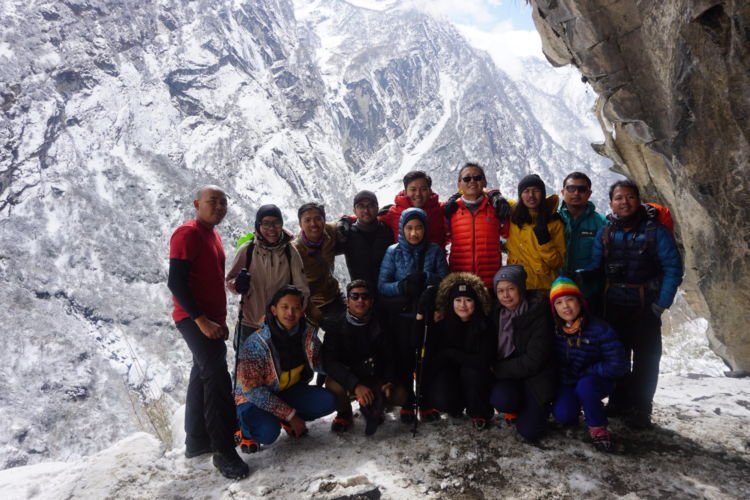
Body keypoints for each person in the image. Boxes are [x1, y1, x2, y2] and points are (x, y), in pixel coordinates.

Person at [583, 179, 683, 428]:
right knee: (617, 355)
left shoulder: (655, 231)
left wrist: (660, 305)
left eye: (629, 197)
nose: (624, 202)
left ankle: (641, 408)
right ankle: (618, 401)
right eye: (619, 198)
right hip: (613, 304)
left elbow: (673, 268)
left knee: (646, 359)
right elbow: (596, 265)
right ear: (611, 203)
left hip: (645, 305)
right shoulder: (606, 231)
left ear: (638, 200)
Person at [167, 185, 249, 480]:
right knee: (216, 377)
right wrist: (201, 320)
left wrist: (218, 319)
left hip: (209, 319)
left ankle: (196, 441)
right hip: (193, 319)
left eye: (223, 203)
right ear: (196, 204)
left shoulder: (211, 235)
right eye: (212, 202)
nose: (219, 207)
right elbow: (176, 282)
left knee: (201, 374)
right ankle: (224, 450)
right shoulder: (187, 234)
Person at [234, 286, 336, 446]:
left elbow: (322, 362)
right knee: (267, 432)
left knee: (328, 401)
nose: (290, 313)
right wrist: (291, 415)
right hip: (251, 399)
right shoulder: (256, 344)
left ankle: (281, 418)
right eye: (285, 307)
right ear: (274, 310)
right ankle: (245, 429)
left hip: (286, 391)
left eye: (296, 308)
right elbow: (252, 391)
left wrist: (350, 377)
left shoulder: (306, 335)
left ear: (302, 311)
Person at [378, 207, 449, 423]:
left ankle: (426, 401)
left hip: (427, 316)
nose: (414, 233)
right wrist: (402, 286)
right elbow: (382, 285)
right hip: (402, 316)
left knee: (426, 359)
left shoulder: (434, 251)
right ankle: (409, 401)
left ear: (425, 229)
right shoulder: (393, 252)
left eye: (418, 228)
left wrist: (427, 277)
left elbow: (446, 281)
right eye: (409, 228)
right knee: (404, 359)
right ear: (402, 229)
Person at [549, 277, 627, 452]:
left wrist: (590, 371)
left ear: (580, 301)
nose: (565, 307)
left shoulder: (599, 329)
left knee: (586, 387)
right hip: (569, 382)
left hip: (595, 381)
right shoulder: (554, 330)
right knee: (563, 415)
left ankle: (598, 428)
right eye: (559, 302)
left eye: (570, 300)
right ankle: (575, 407)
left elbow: (618, 364)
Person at [323, 280, 408, 435]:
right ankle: (344, 413)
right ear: (346, 301)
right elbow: (330, 363)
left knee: (400, 394)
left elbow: (391, 357)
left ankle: (376, 405)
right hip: (349, 378)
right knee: (332, 384)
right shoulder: (335, 325)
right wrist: (355, 385)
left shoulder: (382, 324)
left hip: (375, 377)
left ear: (371, 301)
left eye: (365, 297)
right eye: (355, 296)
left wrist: (389, 381)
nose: (360, 301)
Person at [489, 265, 556, 442]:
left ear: (521, 288)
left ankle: (538, 407)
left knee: (531, 431)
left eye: (511, 289)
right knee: (502, 400)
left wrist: (497, 370)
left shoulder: (537, 312)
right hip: (511, 374)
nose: (506, 295)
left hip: (536, 376)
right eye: (501, 290)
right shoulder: (495, 313)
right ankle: (518, 405)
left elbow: (535, 360)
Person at [420, 272, 495, 429]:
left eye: (468, 300)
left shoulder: (484, 325)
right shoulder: (443, 323)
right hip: (452, 373)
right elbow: (434, 357)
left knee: (472, 372)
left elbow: (482, 361)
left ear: (476, 302)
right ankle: (455, 405)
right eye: (458, 300)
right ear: (451, 302)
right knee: (442, 391)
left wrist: (452, 354)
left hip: (477, 375)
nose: (463, 305)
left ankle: (478, 411)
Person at [226, 204, 309, 344]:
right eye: (266, 223)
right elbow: (230, 280)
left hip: (281, 324)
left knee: (279, 364)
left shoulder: (290, 252)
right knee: (248, 365)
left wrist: (294, 316)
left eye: (276, 223)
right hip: (250, 323)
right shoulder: (248, 250)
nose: (272, 228)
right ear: (258, 225)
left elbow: (302, 289)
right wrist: (237, 285)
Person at [443, 163, 511, 288]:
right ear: (459, 185)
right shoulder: (451, 210)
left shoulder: (496, 207)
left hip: (490, 282)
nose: (472, 181)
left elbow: (508, 233)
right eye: (467, 179)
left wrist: (496, 195)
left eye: (477, 177)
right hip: (460, 282)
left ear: (484, 182)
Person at [557, 172, 607, 314]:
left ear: (589, 193)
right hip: (557, 294)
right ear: (563, 192)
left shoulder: (601, 223)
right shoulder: (551, 219)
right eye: (571, 189)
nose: (576, 193)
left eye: (582, 189)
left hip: (589, 294)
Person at [507, 174, 566, 291]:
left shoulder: (554, 222)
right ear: (520, 195)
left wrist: (545, 243)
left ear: (543, 194)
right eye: (526, 191)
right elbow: (484, 193)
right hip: (518, 286)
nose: (531, 196)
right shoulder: (513, 217)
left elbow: (558, 263)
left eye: (536, 191)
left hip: (544, 287)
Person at [335, 190, 394, 291]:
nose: (366, 210)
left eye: (371, 206)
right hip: (361, 296)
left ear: (377, 208)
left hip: (387, 291)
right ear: (354, 211)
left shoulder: (387, 231)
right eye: (361, 206)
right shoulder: (346, 234)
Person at [379, 171, 448, 248]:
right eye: (413, 189)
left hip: (436, 259)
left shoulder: (441, 210)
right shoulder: (392, 213)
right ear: (405, 192)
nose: (418, 194)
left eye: (423, 189)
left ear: (429, 191)